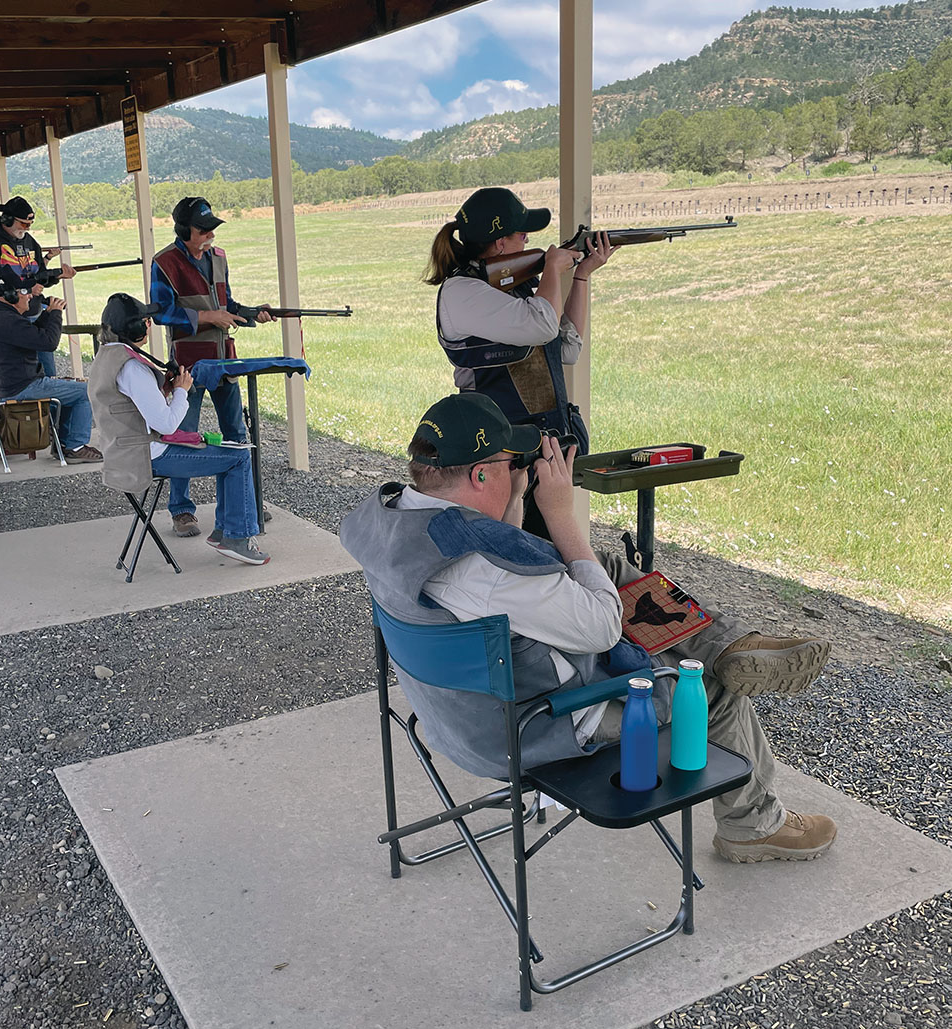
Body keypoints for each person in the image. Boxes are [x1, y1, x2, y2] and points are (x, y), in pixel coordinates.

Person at [341, 392, 837, 863]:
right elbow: (600, 627)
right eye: (510, 463)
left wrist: (515, 494)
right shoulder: (485, 573)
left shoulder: (395, 521)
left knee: (601, 564)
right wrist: (560, 513)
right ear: (478, 474)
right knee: (705, 685)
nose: (519, 469)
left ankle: (728, 642)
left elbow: (495, 571)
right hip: (535, 727)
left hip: (451, 716)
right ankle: (753, 827)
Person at [425, 186, 612, 535]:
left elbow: (565, 348)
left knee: (545, 551)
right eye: (521, 232)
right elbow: (542, 326)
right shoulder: (462, 291)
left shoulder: (517, 286)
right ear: (499, 243)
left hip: (541, 447)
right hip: (496, 453)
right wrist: (554, 269)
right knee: (502, 551)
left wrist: (581, 275)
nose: (528, 238)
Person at [87, 293, 270, 566]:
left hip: (126, 451)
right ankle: (236, 537)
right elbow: (167, 424)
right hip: (147, 455)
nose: (150, 324)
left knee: (229, 452)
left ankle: (226, 531)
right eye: (146, 321)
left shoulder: (108, 356)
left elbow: (132, 407)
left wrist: (167, 389)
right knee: (239, 457)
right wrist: (182, 392)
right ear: (136, 328)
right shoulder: (132, 368)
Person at [150, 196, 275, 539]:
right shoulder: (164, 262)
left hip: (224, 360)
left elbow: (227, 305)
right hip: (188, 364)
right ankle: (181, 511)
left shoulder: (219, 259)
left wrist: (252, 313)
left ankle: (243, 503)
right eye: (203, 230)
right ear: (183, 230)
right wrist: (208, 317)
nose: (210, 236)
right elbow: (160, 313)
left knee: (236, 434)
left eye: (212, 229)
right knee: (181, 435)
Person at [0, 282, 101, 463]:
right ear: (13, 296)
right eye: (26, 293)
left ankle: (65, 444)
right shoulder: (8, 320)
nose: (30, 296)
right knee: (85, 391)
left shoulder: (0, 316)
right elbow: (48, 343)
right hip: (24, 386)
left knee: (74, 392)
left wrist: (46, 314)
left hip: (12, 384)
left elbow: (31, 334)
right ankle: (75, 447)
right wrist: (56, 314)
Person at [0, 196, 76, 378]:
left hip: (35, 312)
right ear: (7, 219)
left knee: (49, 374)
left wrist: (57, 275)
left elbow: (39, 276)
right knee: (23, 378)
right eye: (24, 224)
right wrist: (25, 291)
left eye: (30, 224)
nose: (27, 229)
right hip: (10, 317)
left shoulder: (30, 242)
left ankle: (52, 405)